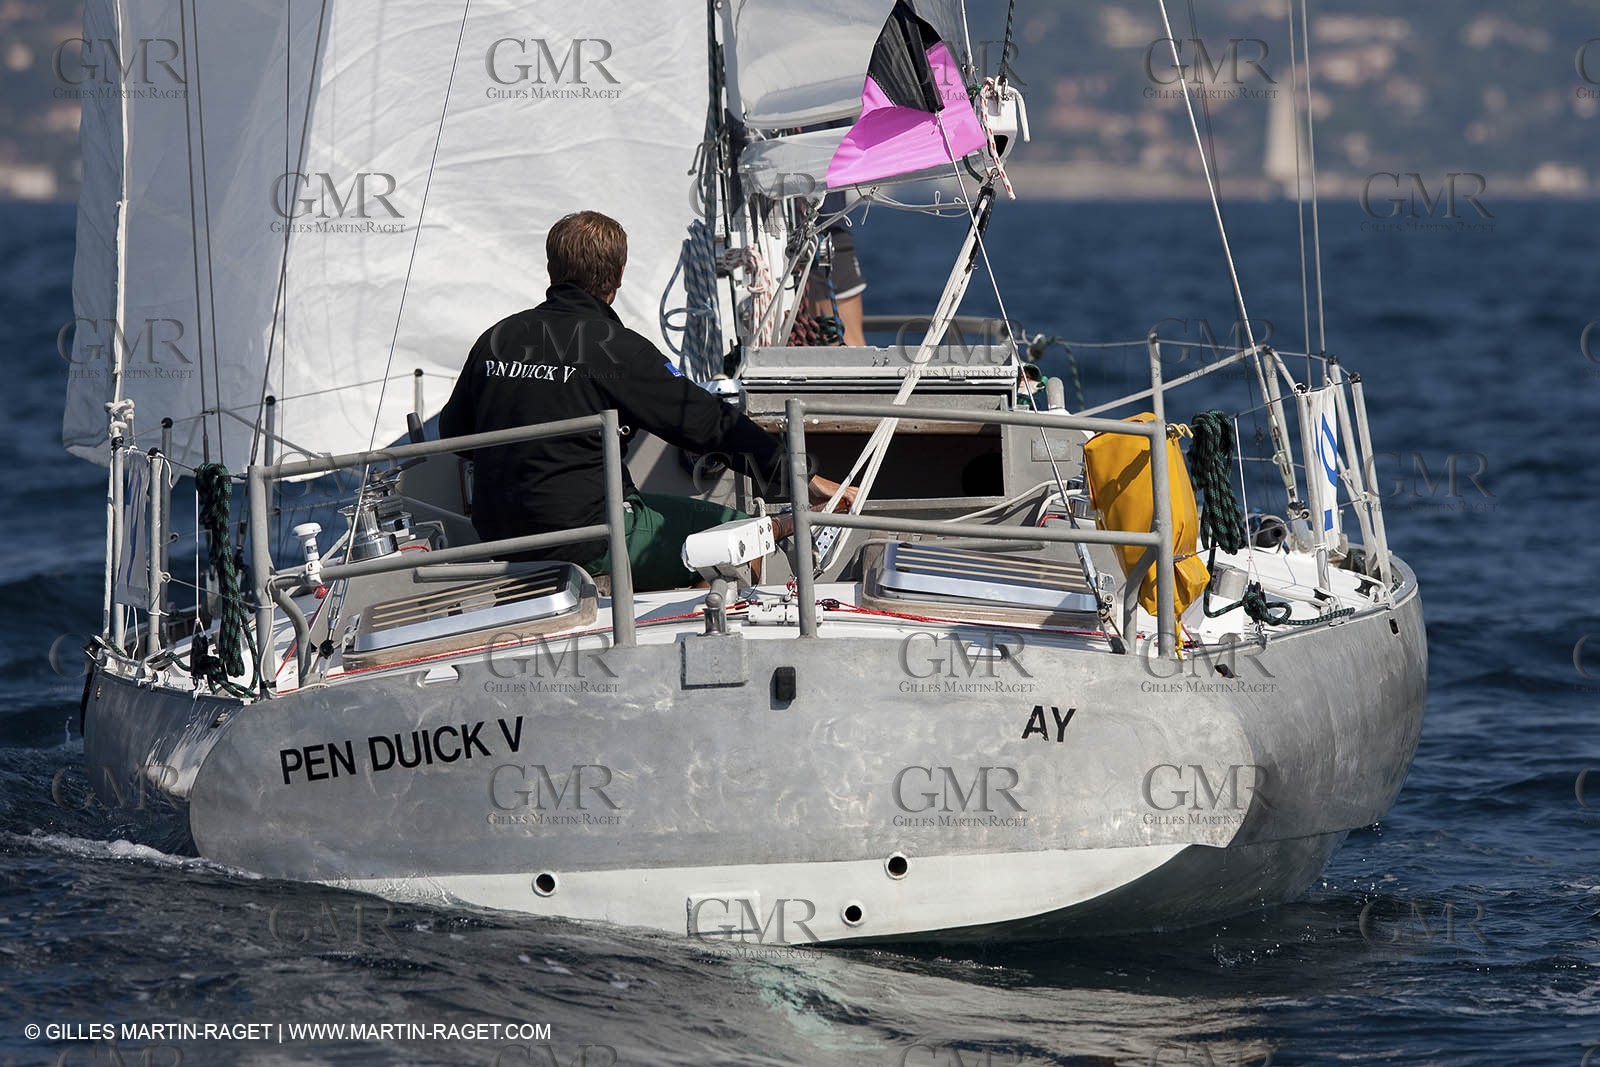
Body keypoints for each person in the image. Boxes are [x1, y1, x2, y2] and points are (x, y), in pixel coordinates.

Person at [439, 210, 855, 591]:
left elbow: (454, 432)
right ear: (619, 276)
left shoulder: (498, 338)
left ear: (552, 269)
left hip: (500, 538)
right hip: (589, 541)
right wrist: (800, 478)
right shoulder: (615, 349)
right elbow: (709, 424)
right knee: (738, 536)